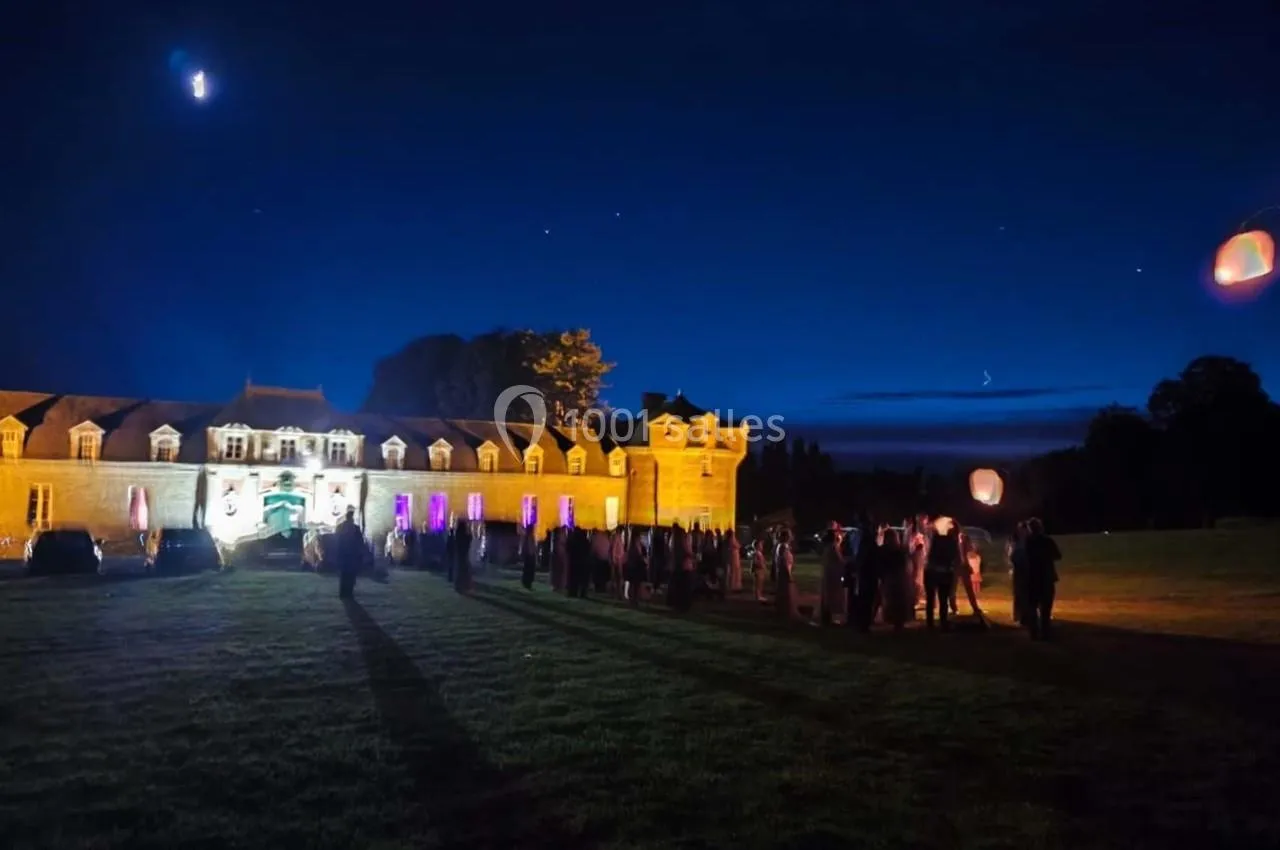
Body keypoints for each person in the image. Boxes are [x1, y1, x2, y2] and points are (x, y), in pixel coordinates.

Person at [1023, 518, 1062, 639]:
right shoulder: (1047, 541)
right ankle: (1045, 632)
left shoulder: (1027, 542)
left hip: (1032, 578)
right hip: (1046, 578)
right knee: (1046, 608)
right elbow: (1058, 555)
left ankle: (1034, 632)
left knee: (1032, 606)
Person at [924, 519, 960, 630]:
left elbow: (930, 555)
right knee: (943, 599)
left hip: (932, 572)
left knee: (931, 599)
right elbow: (956, 558)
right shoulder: (951, 542)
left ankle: (930, 623)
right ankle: (942, 622)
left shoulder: (937, 539)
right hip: (943, 572)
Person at [877, 528, 912, 630]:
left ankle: (893, 620)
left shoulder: (884, 550)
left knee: (891, 600)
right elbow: (905, 564)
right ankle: (899, 622)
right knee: (898, 600)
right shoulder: (900, 550)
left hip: (890, 577)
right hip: (898, 577)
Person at [818, 527, 846, 626]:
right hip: (833, 574)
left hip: (828, 573)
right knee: (833, 595)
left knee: (827, 594)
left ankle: (827, 615)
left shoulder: (827, 547)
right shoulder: (833, 547)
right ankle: (831, 617)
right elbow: (840, 560)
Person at [335, 507, 365, 599]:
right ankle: (348, 593)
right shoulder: (355, 528)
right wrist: (361, 554)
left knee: (344, 574)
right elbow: (360, 542)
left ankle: (343, 593)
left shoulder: (340, 527)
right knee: (351, 575)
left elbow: (336, 540)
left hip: (344, 554)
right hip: (352, 555)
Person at [773, 528, 799, 621]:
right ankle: (785, 612)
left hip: (783, 571)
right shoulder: (783, 547)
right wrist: (788, 574)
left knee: (785, 592)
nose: (791, 536)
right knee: (785, 592)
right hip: (784, 572)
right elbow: (784, 562)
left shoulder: (784, 546)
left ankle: (784, 611)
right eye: (789, 535)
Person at [1007, 522, 1029, 625]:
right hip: (1019, 570)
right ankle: (1018, 616)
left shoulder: (1028, 541)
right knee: (1019, 593)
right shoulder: (1015, 541)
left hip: (1027, 570)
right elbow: (1011, 556)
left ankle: (1026, 615)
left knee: (1026, 593)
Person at [625, 531, 648, 605]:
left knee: (636, 584)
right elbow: (637, 556)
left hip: (637, 567)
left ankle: (635, 599)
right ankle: (633, 600)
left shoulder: (638, 546)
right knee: (634, 584)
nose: (639, 538)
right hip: (634, 567)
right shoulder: (633, 547)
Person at [453, 519, 473, 594]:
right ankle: (465, 585)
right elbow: (469, 539)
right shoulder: (464, 535)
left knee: (459, 570)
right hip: (464, 555)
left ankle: (459, 585)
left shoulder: (457, 535)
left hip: (459, 555)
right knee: (464, 571)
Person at [724, 529, 742, 594]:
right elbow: (738, 545)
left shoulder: (729, 540)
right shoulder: (732, 540)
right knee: (734, 572)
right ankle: (734, 586)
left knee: (735, 571)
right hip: (734, 557)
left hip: (734, 556)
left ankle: (735, 586)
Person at [520, 523, 538, 589]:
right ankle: (527, 582)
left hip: (529, 552)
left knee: (528, 566)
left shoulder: (529, 535)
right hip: (530, 553)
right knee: (529, 566)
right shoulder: (529, 535)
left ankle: (527, 582)